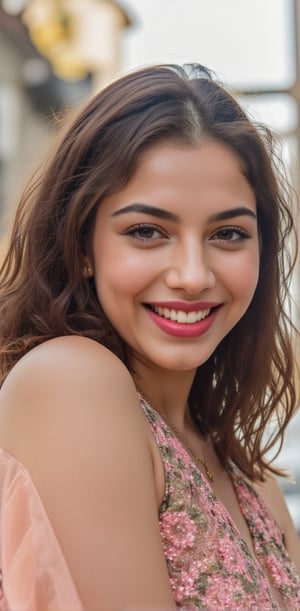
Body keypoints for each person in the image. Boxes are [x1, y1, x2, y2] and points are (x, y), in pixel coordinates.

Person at [0, 62, 299, 611]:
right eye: (146, 231)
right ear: (83, 245)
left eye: (228, 234)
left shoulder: (248, 480)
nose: (193, 275)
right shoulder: (69, 381)